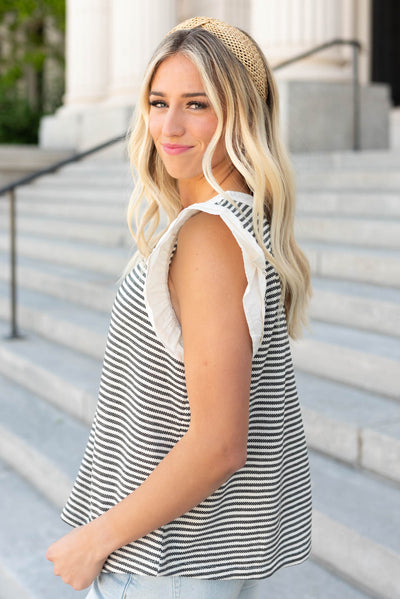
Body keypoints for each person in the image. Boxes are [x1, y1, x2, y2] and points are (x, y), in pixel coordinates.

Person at [46, 16, 312, 599]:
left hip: (165, 563)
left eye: (197, 104)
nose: (169, 126)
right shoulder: (236, 223)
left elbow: (219, 442)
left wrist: (95, 540)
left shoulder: (210, 234)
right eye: (158, 102)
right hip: (188, 559)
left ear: (240, 114)